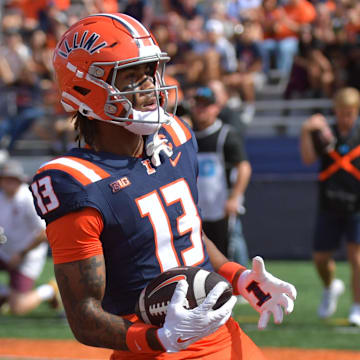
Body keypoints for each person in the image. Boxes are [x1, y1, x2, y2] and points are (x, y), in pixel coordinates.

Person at [29, 13, 296, 359]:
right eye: (130, 78)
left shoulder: (175, 137)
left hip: (224, 337)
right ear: (87, 88)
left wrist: (239, 276)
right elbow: (83, 315)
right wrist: (159, 338)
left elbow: (183, 236)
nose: (150, 88)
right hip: (148, 349)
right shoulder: (75, 182)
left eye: (150, 73)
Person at [300, 87, 360, 326]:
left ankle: (356, 306)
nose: (346, 118)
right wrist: (306, 130)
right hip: (330, 203)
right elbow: (307, 159)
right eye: (342, 113)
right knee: (320, 258)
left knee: (357, 258)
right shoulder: (325, 133)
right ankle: (330, 287)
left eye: (350, 113)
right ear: (335, 110)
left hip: (357, 204)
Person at [191, 86, 251, 266]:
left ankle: (243, 287)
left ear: (216, 108)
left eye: (206, 106)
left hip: (221, 206)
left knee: (230, 248)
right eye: (198, 105)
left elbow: (243, 167)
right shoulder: (188, 135)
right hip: (198, 209)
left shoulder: (225, 135)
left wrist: (235, 197)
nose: (202, 110)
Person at [0, 159, 61, 315]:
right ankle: (7, 294)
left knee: (18, 308)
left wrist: (21, 254)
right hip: (5, 251)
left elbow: (45, 231)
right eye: (6, 178)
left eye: (13, 179)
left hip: (27, 256)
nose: (9, 182)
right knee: (14, 301)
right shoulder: (1, 197)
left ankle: (49, 290)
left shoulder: (27, 198)